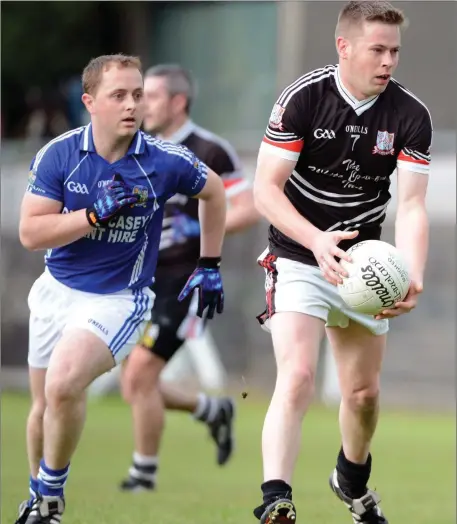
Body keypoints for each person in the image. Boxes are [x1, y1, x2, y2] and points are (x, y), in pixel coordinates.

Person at [15, 54, 227, 524]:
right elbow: (31, 234)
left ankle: (51, 492)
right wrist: (91, 215)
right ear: (90, 102)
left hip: (118, 298)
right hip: (56, 291)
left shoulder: (164, 160)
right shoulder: (60, 154)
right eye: (119, 95)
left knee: (64, 382)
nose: (132, 104)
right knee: (43, 405)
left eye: (138, 94)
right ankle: (41, 504)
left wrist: (209, 262)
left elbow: (215, 192)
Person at [252, 2, 432, 523]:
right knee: (299, 375)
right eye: (378, 49)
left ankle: (350, 479)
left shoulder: (410, 115)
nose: (388, 61)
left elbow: (413, 205)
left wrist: (412, 273)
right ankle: (276, 500)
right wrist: (315, 241)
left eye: (394, 50)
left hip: (363, 266)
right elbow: (266, 190)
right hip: (298, 255)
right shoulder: (303, 99)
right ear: (344, 47)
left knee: (362, 394)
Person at [119, 64, 259, 491]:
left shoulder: (209, 150)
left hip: (186, 279)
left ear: (178, 102)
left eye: (152, 96)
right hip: (135, 279)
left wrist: (198, 229)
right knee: (133, 381)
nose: (141, 105)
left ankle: (143, 476)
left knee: (140, 374)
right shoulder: (134, 147)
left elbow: (249, 207)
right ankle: (211, 410)